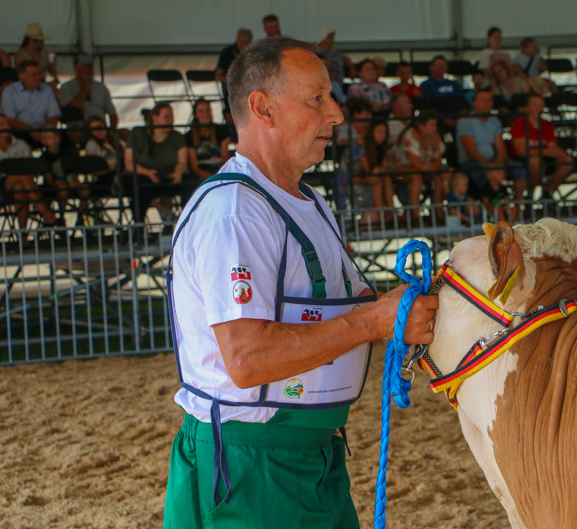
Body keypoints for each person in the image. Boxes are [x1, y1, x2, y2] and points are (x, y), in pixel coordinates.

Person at [162, 36, 437, 528]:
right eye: (317, 99)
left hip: (315, 453)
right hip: (251, 466)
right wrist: (374, 320)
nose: (335, 113)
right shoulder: (234, 213)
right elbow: (247, 359)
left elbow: (351, 305)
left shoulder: (307, 199)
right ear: (262, 107)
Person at [123, 102, 188, 225]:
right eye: (166, 116)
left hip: (166, 176)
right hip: (142, 177)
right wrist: (147, 173)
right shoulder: (138, 134)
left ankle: (186, 223)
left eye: (172, 116)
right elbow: (129, 163)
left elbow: (182, 161)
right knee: (140, 187)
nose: (170, 120)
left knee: (190, 182)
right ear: (155, 118)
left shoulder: (177, 136)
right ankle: (139, 228)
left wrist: (178, 172)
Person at [0, 113, 58, 229]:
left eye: (7, 123)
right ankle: (44, 210)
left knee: (19, 188)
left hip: (23, 184)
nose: (6, 126)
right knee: (20, 175)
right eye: (1, 124)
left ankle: (23, 236)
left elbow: (30, 167)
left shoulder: (21, 144)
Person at [457, 89, 526, 201]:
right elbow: (471, 152)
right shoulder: (466, 121)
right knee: (485, 173)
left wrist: (500, 164)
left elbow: (501, 148)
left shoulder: (495, 121)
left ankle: (518, 206)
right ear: (474, 103)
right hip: (472, 163)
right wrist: (492, 167)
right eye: (482, 100)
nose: (486, 103)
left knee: (518, 169)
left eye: (489, 100)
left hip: (493, 161)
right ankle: (493, 207)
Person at [386, 112, 450, 218]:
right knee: (416, 176)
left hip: (423, 169)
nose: (435, 128)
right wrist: (433, 167)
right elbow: (416, 164)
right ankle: (416, 216)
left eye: (435, 125)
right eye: (431, 125)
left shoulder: (434, 136)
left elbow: (437, 160)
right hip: (397, 169)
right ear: (421, 126)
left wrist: (434, 167)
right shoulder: (410, 135)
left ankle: (440, 214)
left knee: (438, 177)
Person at [510, 94, 573, 200]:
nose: (538, 108)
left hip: (543, 158)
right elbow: (522, 151)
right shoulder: (519, 124)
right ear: (527, 108)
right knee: (535, 161)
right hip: (522, 160)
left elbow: (553, 149)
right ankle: (530, 193)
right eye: (535, 105)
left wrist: (553, 153)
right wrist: (546, 152)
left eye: (541, 105)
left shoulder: (547, 125)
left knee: (567, 161)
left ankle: (548, 192)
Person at [337, 119, 394, 223]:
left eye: (384, 132)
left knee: (385, 177)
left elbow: (384, 167)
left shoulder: (381, 147)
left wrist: (380, 169)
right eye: (379, 132)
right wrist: (378, 170)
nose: (382, 135)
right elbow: (367, 170)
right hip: (350, 178)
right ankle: (382, 213)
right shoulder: (361, 144)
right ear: (371, 133)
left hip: (366, 176)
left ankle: (391, 212)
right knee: (378, 177)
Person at [0, 60, 61, 145]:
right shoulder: (10, 91)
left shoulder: (46, 89)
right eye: (33, 74)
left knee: (63, 138)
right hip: (21, 132)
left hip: (45, 131)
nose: (38, 77)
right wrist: (31, 131)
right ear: (21, 77)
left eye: (39, 74)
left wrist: (45, 131)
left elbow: (54, 115)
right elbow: (9, 119)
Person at [39, 125, 90, 225]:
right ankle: (61, 218)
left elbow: (74, 170)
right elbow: (49, 180)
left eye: (55, 136)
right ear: (44, 141)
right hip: (53, 187)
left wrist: (74, 181)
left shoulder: (67, 153)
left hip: (69, 183)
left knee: (85, 189)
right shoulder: (44, 157)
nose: (54, 140)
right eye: (50, 138)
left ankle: (80, 216)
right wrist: (64, 184)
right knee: (63, 190)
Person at [58, 54, 119, 135]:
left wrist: (111, 131)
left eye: (90, 66)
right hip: (79, 129)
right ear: (76, 69)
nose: (89, 69)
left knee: (125, 133)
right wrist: (85, 88)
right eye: (85, 66)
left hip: (101, 129)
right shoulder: (66, 87)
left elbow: (113, 114)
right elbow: (72, 110)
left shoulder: (101, 87)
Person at [186, 98, 232, 181]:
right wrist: (210, 178)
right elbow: (194, 167)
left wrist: (218, 160)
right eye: (201, 111)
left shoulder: (221, 130)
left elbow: (225, 158)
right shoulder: (190, 135)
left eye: (208, 110)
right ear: (196, 115)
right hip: (200, 175)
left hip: (219, 171)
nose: (205, 114)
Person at [216, 28, 254, 125]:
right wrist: (232, 81)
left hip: (249, 86)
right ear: (237, 40)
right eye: (242, 43)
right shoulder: (226, 53)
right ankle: (232, 123)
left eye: (247, 43)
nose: (244, 46)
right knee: (229, 92)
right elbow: (218, 76)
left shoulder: (253, 53)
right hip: (231, 87)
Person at [12, 23, 59, 91]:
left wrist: (53, 65)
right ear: (28, 40)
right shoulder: (20, 54)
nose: (39, 43)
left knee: (53, 87)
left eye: (41, 40)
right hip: (27, 83)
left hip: (42, 82)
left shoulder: (45, 53)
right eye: (35, 40)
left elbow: (53, 72)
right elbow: (20, 73)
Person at [83, 115, 121, 193]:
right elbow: (92, 170)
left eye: (99, 126)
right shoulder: (92, 144)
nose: (98, 131)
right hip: (104, 178)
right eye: (94, 129)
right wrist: (112, 167)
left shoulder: (117, 141)